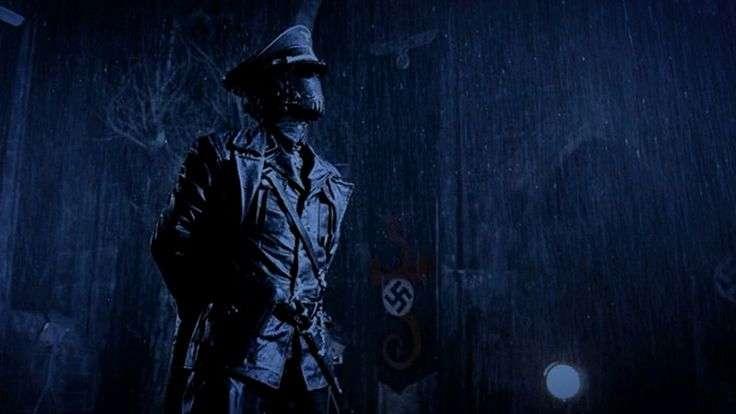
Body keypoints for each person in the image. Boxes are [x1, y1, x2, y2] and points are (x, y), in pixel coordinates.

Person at [151, 23, 353, 414]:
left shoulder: (330, 182)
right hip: (238, 357)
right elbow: (171, 244)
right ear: (277, 84)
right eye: (303, 71)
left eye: (315, 71)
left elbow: (316, 274)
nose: (314, 80)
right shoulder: (222, 156)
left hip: (308, 363)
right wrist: (231, 304)